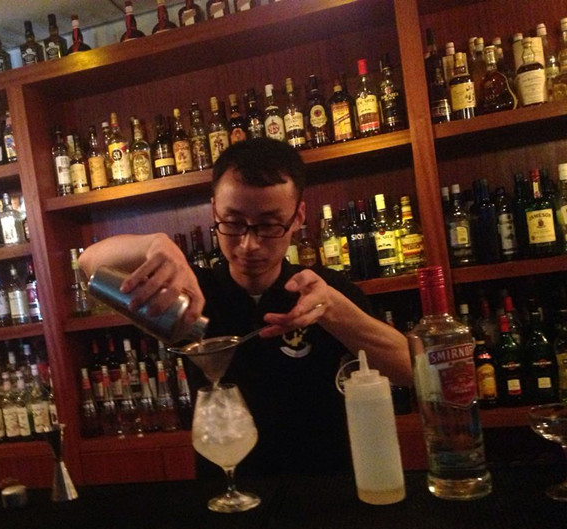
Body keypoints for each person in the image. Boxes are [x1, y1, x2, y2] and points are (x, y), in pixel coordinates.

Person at [79, 138, 412, 476]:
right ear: (214, 211)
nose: (249, 244)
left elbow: (410, 371)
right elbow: (88, 264)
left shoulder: (324, 290)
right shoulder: (191, 291)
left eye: (268, 225)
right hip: (225, 487)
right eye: (233, 223)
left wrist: (334, 311)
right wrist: (153, 243)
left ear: (297, 216)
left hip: (324, 488)